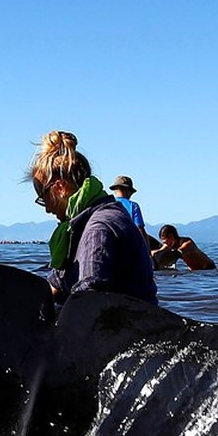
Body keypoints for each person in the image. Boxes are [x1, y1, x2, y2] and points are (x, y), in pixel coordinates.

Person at [29, 131, 157, 305]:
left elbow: (89, 303)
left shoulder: (98, 228)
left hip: (125, 327)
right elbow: (57, 287)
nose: (48, 210)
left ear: (60, 188)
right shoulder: (80, 226)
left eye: (44, 199)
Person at [109, 175, 160, 251]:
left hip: (110, 245)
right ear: (127, 190)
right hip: (128, 248)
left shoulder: (108, 204)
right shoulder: (133, 206)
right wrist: (147, 251)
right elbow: (140, 229)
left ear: (115, 190)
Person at [152, 224, 216, 271]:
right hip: (194, 270)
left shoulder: (187, 243)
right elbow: (158, 251)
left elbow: (177, 252)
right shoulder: (169, 244)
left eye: (165, 242)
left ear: (171, 237)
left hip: (208, 268)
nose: (165, 244)